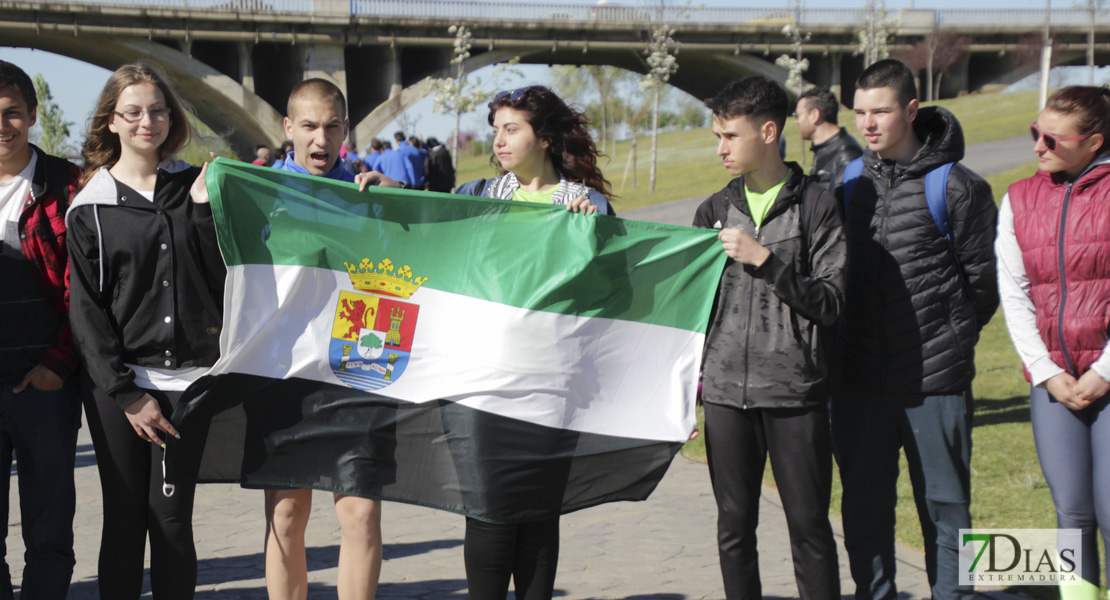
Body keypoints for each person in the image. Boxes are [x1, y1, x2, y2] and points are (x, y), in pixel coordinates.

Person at [831, 58, 999, 600]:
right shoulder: (848, 183)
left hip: (935, 380)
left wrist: (947, 341)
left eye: (880, 111)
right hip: (858, 382)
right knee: (863, 509)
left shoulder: (959, 187)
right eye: (859, 112)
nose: (868, 123)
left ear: (910, 108)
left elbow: (983, 289)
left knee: (948, 513)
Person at [66, 62, 222, 600]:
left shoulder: (193, 187)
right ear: (112, 121)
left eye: (156, 110)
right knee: (125, 520)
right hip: (120, 388)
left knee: (173, 520)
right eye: (132, 112)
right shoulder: (90, 206)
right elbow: (87, 312)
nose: (146, 121)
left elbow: (217, 282)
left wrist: (204, 212)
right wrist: (128, 394)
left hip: (185, 382)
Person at [454, 85, 612, 600]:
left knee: (540, 515)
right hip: (485, 383)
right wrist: (383, 188)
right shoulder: (478, 199)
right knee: (488, 511)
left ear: (543, 138)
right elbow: (422, 226)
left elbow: (611, 294)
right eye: (495, 129)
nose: (498, 140)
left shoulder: (584, 204)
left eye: (511, 129)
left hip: (551, 382)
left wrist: (597, 234)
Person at [692, 75, 843, 600]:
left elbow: (832, 302)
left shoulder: (817, 205)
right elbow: (695, 313)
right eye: (718, 136)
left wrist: (767, 261)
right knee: (734, 531)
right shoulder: (712, 212)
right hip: (726, 394)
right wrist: (692, 389)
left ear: (770, 131)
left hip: (795, 394)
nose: (721, 149)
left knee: (809, 527)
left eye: (730, 136)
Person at [265, 77, 402, 600]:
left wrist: (407, 209)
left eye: (332, 126)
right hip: (285, 368)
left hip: (358, 363)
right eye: (308, 127)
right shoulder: (258, 193)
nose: (321, 140)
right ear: (287, 128)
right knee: (286, 514)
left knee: (361, 516)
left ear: (346, 128)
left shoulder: (373, 193)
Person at [997, 85, 1110, 600]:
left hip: (1106, 376)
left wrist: (1105, 370)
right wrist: (1044, 370)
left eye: (1052, 139)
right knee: (1072, 511)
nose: (1039, 145)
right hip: (1054, 383)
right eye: (1034, 132)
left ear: (1094, 143)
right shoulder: (1019, 198)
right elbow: (1014, 293)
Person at [0, 60, 82, 600]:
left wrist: (57, 365)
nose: (1, 125)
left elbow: (91, 293)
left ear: (31, 117)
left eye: (11, 113)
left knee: (49, 532)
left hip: (45, 385)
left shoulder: (67, 186)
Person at [794, 85, 862, 187]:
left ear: (814, 115)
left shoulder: (847, 155)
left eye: (797, 116)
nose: (796, 122)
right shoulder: (821, 151)